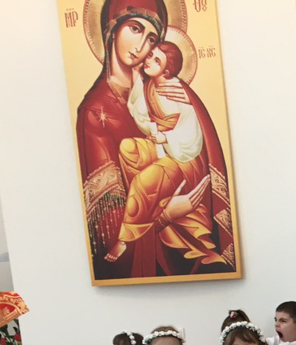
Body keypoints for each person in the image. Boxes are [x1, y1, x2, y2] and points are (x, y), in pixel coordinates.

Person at [75, 0, 235, 281]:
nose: (141, 47)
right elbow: (104, 227)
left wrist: (192, 104)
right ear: (112, 29)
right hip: (154, 230)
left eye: (151, 38)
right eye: (135, 29)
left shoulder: (168, 88)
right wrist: (165, 216)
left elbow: (197, 145)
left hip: (180, 174)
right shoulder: (95, 112)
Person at [106, 42, 229, 267]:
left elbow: (192, 133)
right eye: (150, 55)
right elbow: (141, 117)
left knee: (142, 182)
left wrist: (166, 138)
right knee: (128, 147)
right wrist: (136, 78)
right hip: (161, 146)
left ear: (168, 69)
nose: (149, 61)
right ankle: (152, 203)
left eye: (157, 60)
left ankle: (124, 239)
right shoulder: (149, 86)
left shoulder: (177, 90)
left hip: (183, 158)